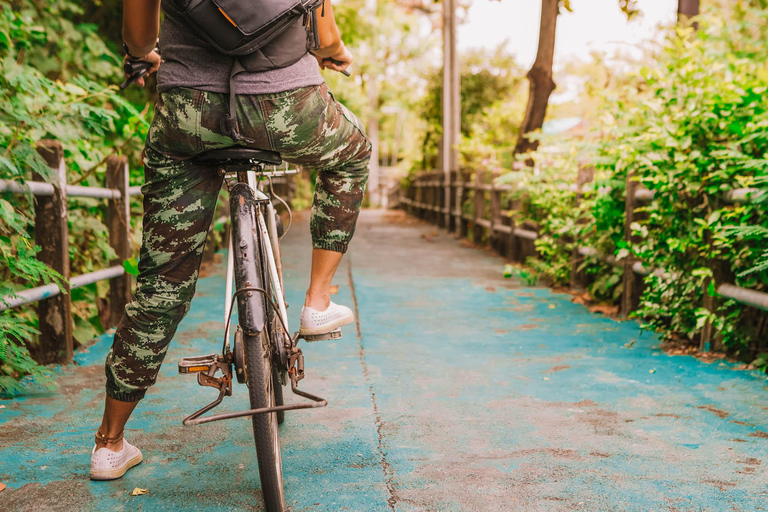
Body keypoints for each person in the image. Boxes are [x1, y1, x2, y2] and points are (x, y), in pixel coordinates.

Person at [89, 0, 370, 481]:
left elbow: (138, 36)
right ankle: (317, 301)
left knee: (162, 285)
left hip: (190, 114)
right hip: (288, 104)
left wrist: (149, 54)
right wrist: (334, 53)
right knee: (352, 155)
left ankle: (109, 444)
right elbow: (323, 33)